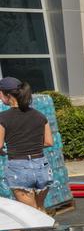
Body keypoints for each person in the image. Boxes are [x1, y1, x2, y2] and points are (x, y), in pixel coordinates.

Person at [0, 77, 54, 211]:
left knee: (30, 214)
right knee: (40, 209)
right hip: (42, 165)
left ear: (7, 95)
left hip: (19, 167)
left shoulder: (3, 117)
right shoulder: (40, 115)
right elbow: (48, 142)